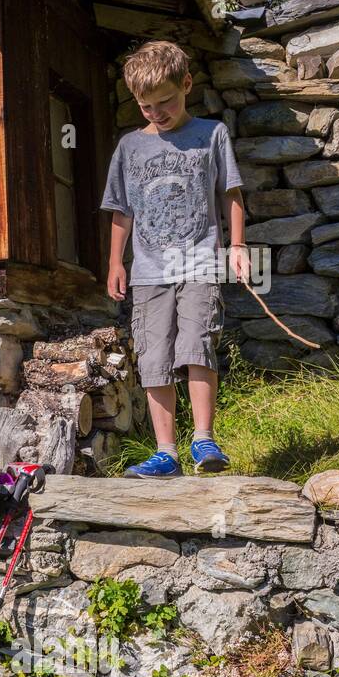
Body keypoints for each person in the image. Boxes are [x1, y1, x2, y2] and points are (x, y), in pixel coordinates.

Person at [101, 39, 247, 478]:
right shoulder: (129, 147)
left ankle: (204, 438)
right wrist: (115, 262)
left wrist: (238, 247)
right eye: (146, 106)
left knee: (197, 345)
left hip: (199, 261)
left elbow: (231, 194)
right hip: (147, 270)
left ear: (186, 84)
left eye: (164, 101)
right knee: (153, 356)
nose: (156, 112)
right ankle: (166, 453)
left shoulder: (211, 134)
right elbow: (121, 209)